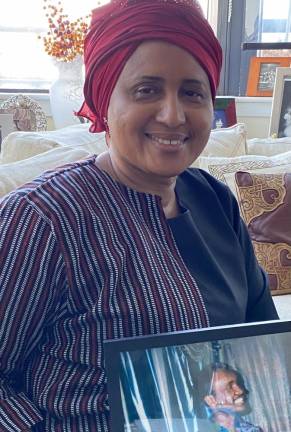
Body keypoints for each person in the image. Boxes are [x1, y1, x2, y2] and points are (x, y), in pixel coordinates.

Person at [0, 0, 278, 430]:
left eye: (192, 92)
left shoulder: (214, 200)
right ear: (103, 101)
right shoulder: (43, 219)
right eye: (146, 90)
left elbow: (262, 340)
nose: (173, 115)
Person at [195, 363, 263, 432]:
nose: (241, 391)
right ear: (210, 400)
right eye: (229, 387)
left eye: (238, 383)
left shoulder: (242, 426)